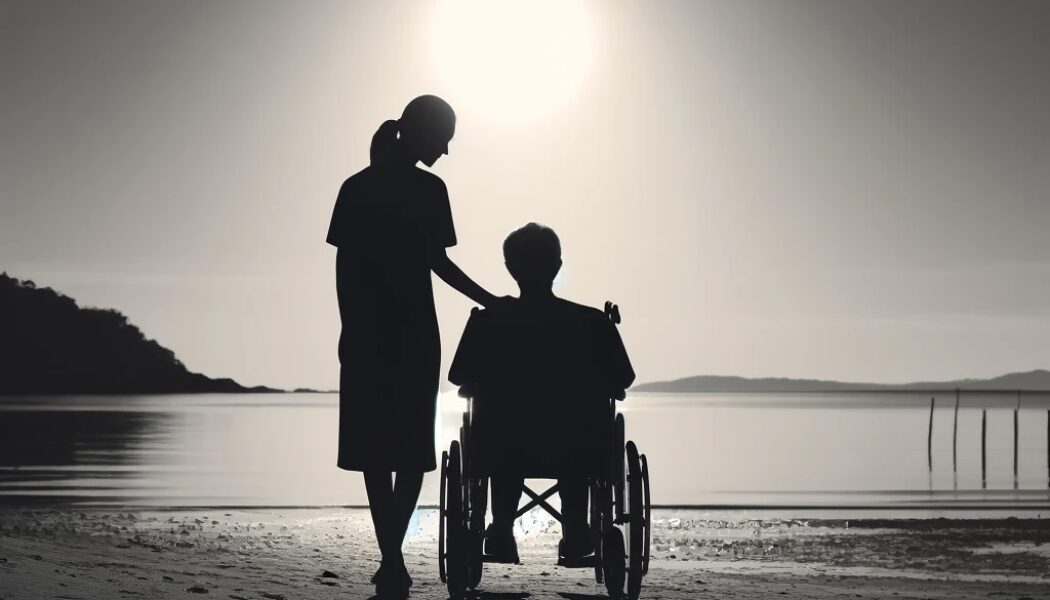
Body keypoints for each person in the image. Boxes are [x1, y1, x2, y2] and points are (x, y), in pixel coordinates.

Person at [326, 95, 502, 597]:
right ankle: (392, 556)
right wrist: (490, 299)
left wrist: (349, 326)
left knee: (374, 454)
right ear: (422, 133)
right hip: (412, 334)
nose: (445, 152)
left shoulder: (356, 188)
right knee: (407, 452)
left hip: (366, 333)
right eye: (443, 139)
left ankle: (391, 558)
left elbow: (345, 272)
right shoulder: (428, 189)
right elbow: (437, 264)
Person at [448, 222, 635, 564]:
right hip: (576, 443)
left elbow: (457, 375)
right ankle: (577, 529)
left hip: (502, 442)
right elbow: (624, 378)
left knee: (506, 431)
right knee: (574, 436)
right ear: (557, 266)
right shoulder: (593, 323)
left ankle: (501, 528)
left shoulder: (488, 322)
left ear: (510, 268)